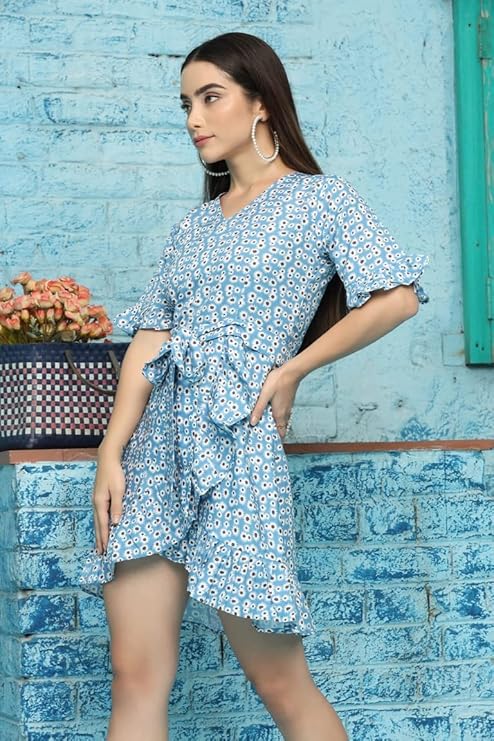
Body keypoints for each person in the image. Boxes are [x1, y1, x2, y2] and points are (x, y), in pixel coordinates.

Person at [79, 31, 428, 741]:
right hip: (155, 451)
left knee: (279, 682)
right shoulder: (193, 227)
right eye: (186, 104)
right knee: (134, 676)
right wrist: (112, 451)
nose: (194, 119)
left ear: (261, 102)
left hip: (238, 445)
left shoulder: (321, 200)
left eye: (210, 98)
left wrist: (291, 369)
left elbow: (397, 298)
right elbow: (151, 337)